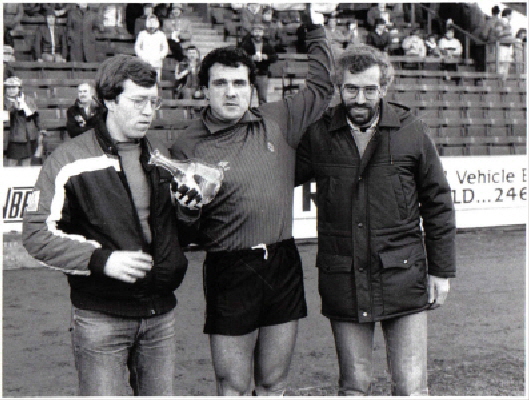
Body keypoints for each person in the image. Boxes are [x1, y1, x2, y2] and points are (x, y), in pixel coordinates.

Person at [169, 7, 333, 396]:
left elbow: (322, 87)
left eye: (239, 84)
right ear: (204, 89)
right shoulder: (186, 145)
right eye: (221, 83)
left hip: (282, 262)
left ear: (252, 89)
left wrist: (315, 27)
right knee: (233, 385)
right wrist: (188, 211)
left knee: (274, 382)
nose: (231, 92)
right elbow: (182, 229)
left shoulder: (277, 119)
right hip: (229, 266)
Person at [22, 55, 190, 396]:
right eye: (138, 101)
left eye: (154, 102)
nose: (149, 111)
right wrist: (102, 260)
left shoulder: (160, 157)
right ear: (110, 101)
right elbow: (36, 234)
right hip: (101, 317)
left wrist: (190, 212)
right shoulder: (68, 161)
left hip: (160, 314)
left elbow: (178, 235)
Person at [295, 44, 456, 396]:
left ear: (384, 88)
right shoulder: (319, 134)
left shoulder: (411, 130)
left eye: (370, 89)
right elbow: (275, 177)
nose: (360, 98)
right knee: (354, 386)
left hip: (404, 274)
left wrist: (440, 271)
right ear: (339, 87)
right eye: (351, 88)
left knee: (412, 388)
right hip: (344, 277)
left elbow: (438, 202)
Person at [3, 77, 43, 167]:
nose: (11, 90)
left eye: (14, 87)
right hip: (14, 138)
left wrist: (22, 104)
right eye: (8, 87)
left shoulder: (28, 99)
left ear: (19, 88)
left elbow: (33, 114)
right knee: (11, 165)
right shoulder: (4, 101)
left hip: (28, 137)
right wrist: (13, 106)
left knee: (26, 165)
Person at [239, 23, 278, 104]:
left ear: (263, 32)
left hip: (262, 74)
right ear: (252, 32)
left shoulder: (268, 44)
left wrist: (267, 57)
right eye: (255, 31)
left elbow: (274, 57)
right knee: (247, 98)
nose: (257, 33)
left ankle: (262, 114)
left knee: (262, 98)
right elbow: (240, 56)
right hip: (249, 74)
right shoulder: (246, 44)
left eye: (260, 31)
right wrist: (250, 58)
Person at [135, 15, 169, 82]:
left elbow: (165, 48)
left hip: (156, 60)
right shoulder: (142, 34)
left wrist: (159, 56)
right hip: (144, 60)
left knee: (155, 80)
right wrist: (142, 56)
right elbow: (137, 47)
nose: (152, 28)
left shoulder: (161, 35)